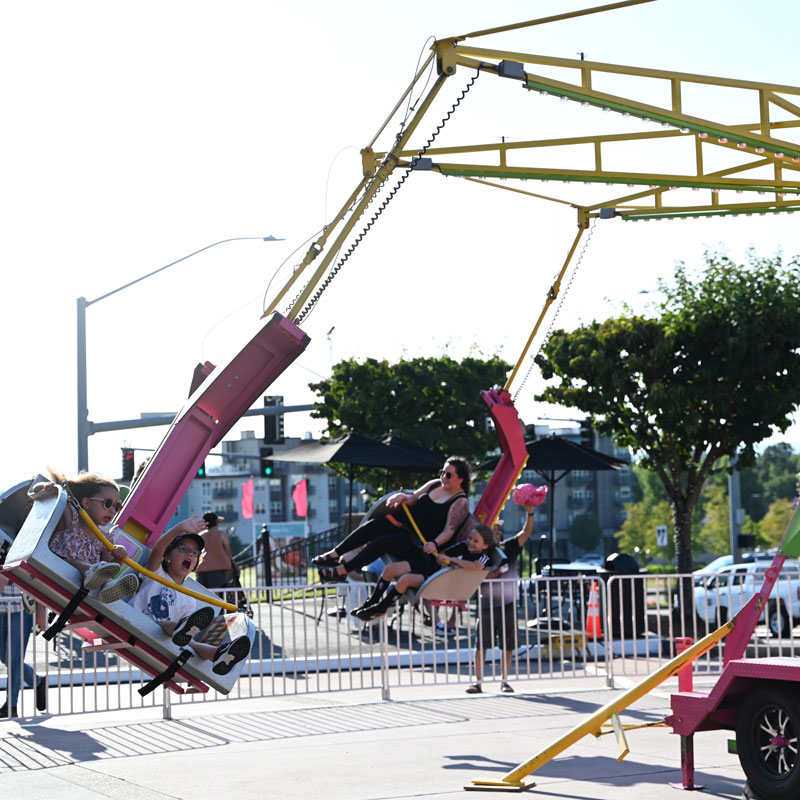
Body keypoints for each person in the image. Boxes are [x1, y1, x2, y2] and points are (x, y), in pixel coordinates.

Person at [315, 458, 471, 582]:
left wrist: (435, 543)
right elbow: (414, 498)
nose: (444, 477)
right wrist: (402, 497)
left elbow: (449, 531)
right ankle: (335, 554)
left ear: (461, 479)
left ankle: (343, 570)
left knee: (383, 542)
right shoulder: (435, 484)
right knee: (374, 525)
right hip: (405, 526)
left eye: (449, 475)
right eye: (442, 472)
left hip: (420, 544)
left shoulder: (460, 502)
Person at [129, 524, 251, 675]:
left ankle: (219, 654)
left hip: (162, 638)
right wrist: (179, 529)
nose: (190, 555)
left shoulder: (189, 600)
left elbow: (183, 639)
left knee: (188, 639)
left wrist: (186, 635)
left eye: (194, 553)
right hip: (136, 622)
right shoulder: (156, 573)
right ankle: (187, 631)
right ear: (167, 557)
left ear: (195, 564)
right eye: (183, 549)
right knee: (175, 628)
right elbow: (159, 548)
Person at [351, 524, 497, 622]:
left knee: (405, 579)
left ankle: (381, 608)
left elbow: (477, 566)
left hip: (450, 585)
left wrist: (452, 560)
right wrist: (441, 557)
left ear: (485, 545)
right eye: (470, 538)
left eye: (475, 541)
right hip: (435, 574)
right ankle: (373, 603)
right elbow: (442, 556)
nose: (470, 542)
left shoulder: (484, 555)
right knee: (394, 572)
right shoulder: (463, 546)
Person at [466, 504, 536, 694]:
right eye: (492, 529)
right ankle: (478, 682)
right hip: (486, 604)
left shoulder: (510, 547)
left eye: (498, 529)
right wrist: (491, 574)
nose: (496, 532)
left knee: (508, 644)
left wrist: (530, 512)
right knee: (481, 644)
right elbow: (475, 574)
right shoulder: (480, 552)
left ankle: (505, 681)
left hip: (508, 603)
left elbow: (526, 532)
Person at [41, 470, 139, 603]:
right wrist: (47, 488)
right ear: (86, 503)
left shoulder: (104, 538)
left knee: (101, 569)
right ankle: (94, 573)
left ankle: (108, 586)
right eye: (108, 503)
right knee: (81, 563)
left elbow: (109, 567)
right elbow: (39, 492)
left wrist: (118, 557)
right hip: (60, 567)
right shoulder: (72, 518)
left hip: (85, 583)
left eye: (117, 506)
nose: (112, 510)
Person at [0, 574, 47, 719]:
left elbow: (38, 576)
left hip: (22, 609)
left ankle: (11, 706)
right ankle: (37, 681)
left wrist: (41, 611)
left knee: (14, 659)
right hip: (1, 608)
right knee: (5, 657)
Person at [194, 512, 234, 592]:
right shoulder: (221, 534)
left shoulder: (201, 536)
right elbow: (228, 552)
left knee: (203, 596)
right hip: (218, 570)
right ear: (216, 523)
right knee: (216, 597)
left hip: (201, 570)